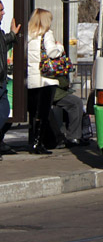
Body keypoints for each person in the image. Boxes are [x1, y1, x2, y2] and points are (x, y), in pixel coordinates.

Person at [26, 8, 62, 155]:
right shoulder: (46, 34)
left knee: (34, 112)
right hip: (46, 79)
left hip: (32, 78)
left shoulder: (28, 35)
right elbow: (52, 52)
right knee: (44, 113)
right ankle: (38, 143)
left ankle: (33, 141)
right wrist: (59, 46)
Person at [0, 1, 21, 159]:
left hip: (1, 82)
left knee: (5, 110)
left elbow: (3, 43)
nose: (3, 13)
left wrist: (12, 35)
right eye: (1, 10)